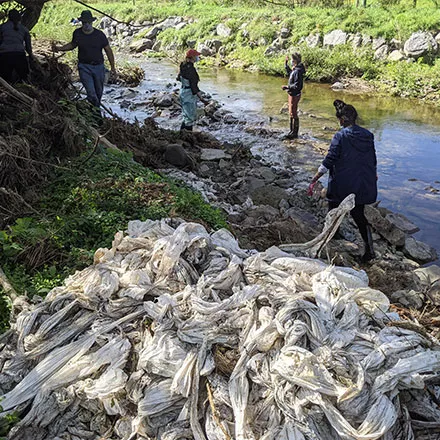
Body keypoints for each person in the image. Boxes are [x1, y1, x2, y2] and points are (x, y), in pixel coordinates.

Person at [310, 100, 377, 262]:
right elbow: (372, 158)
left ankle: (331, 235)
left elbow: (330, 159)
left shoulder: (340, 136)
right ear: (355, 118)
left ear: (341, 120)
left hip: (343, 183)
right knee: (358, 214)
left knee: (333, 206)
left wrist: (315, 178)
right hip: (363, 182)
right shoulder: (368, 135)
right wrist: (373, 174)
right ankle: (369, 251)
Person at [52, 10, 116, 107]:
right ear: (81, 23)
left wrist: (113, 68)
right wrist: (60, 48)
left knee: (98, 94)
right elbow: (73, 44)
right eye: (84, 22)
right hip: (84, 67)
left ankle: (95, 114)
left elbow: (108, 50)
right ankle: (97, 115)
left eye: (88, 22)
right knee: (91, 94)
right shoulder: (77, 33)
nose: (86, 25)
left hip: (99, 67)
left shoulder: (99, 35)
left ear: (92, 22)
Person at [177, 49, 208, 131]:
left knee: (186, 116)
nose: (198, 57)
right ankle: (187, 138)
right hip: (189, 94)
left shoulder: (182, 66)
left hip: (183, 92)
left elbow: (179, 78)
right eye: (196, 56)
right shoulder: (191, 70)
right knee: (190, 118)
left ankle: (181, 135)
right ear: (192, 57)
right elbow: (194, 87)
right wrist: (201, 98)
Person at [0, 9, 33, 83]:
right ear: (19, 18)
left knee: (5, 79)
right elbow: (28, 46)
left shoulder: (2, 27)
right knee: (24, 78)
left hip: (4, 55)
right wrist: (31, 56)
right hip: (19, 54)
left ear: (9, 17)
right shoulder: (24, 29)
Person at [282, 52, 306, 139]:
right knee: (291, 112)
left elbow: (297, 86)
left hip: (294, 94)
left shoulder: (298, 71)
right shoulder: (295, 69)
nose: (291, 61)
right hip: (291, 93)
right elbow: (290, 73)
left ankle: (294, 133)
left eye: (292, 60)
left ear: (295, 61)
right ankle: (291, 131)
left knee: (293, 113)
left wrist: (287, 87)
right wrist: (286, 64)